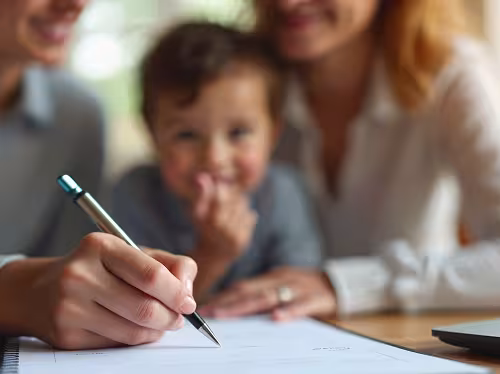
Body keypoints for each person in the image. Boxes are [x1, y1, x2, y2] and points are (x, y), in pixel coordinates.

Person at [201, 0, 500, 321]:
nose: (286, 3)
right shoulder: (239, 79)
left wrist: (344, 285)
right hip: (273, 334)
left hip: (407, 339)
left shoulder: (450, 72)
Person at [0, 0, 197, 350]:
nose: (76, 5)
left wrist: (107, 287)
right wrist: (15, 292)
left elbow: (66, 270)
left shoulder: (76, 114)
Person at [112, 21, 322, 303]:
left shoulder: (282, 193)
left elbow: (299, 286)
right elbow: (134, 303)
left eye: (238, 133)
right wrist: (212, 255)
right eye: (186, 135)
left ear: (272, 135)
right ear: (153, 136)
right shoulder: (135, 194)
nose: (214, 158)